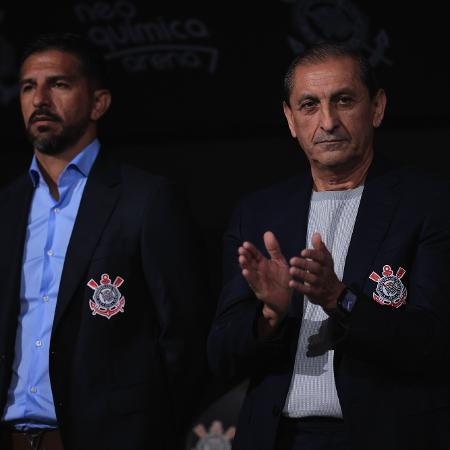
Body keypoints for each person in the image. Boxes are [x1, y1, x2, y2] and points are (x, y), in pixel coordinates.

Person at [207, 41, 450, 450]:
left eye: (343, 100)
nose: (328, 121)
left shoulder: (428, 205)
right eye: (309, 105)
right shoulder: (258, 212)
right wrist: (270, 314)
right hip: (276, 438)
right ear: (290, 119)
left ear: (376, 108)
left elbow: (432, 343)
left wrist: (339, 299)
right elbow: (220, 357)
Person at [0, 33, 207, 450]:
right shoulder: (6, 206)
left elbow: (184, 338)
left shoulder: (146, 200)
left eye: (58, 84)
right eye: (28, 86)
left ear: (98, 103)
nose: (39, 98)